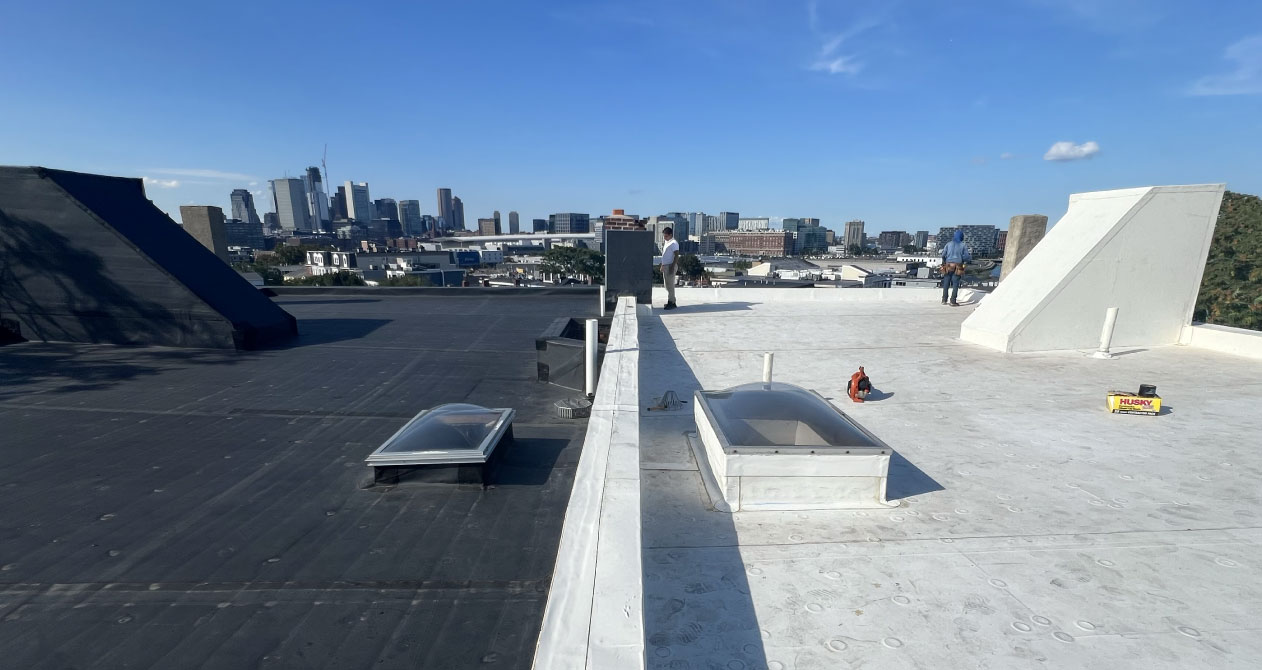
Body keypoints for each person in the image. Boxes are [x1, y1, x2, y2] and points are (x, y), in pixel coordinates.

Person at [940, 229, 971, 306]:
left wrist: (945, 262)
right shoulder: (963, 245)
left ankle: (944, 300)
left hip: (948, 265)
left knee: (946, 283)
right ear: (961, 237)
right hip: (958, 265)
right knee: (955, 284)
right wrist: (962, 260)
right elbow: (967, 257)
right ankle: (953, 301)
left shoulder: (948, 244)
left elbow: (943, 255)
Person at [659, 227, 679, 310]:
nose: (664, 237)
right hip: (666, 266)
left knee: (670, 285)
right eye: (664, 236)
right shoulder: (667, 242)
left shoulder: (674, 243)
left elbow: (676, 255)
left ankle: (672, 302)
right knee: (667, 285)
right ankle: (670, 301)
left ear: (670, 235)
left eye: (666, 236)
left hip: (670, 266)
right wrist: (662, 265)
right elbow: (665, 255)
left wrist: (672, 266)